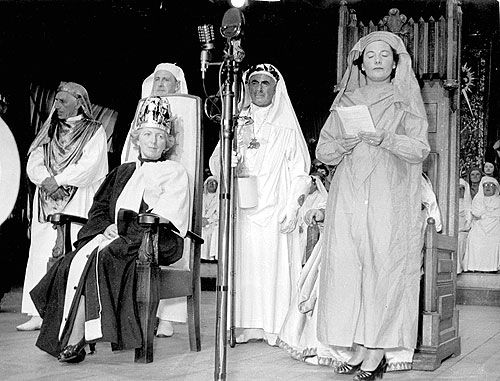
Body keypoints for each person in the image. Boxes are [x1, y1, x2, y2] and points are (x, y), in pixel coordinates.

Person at [30, 96, 190, 362]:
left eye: (160, 136)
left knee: (104, 257)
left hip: (153, 239)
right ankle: (71, 333)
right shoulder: (122, 172)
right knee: (70, 263)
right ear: (137, 139)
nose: (153, 141)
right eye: (148, 134)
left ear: (168, 142)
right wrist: (104, 228)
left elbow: (168, 214)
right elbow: (100, 209)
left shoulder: (174, 172)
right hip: (115, 237)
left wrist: (124, 228)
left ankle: (77, 336)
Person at [315, 31, 430, 379]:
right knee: (350, 268)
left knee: (384, 267)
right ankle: (360, 345)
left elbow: (420, 149)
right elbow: (323, 151)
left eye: (384, 54)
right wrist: (345, 143)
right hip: (349, 194)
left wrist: (388, 139)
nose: (377, 59)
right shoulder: (345, 101)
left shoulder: (405, 99)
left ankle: (377, 350)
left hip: (388, 194)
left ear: (395, 62)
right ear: (360, 63)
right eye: (370, 55)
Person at [209, 63, 311, 345]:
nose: (259, 89)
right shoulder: (238, 122)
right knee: (242, 268)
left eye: (265, 83)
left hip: (275, 209)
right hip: (241, 211)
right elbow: (216, 161)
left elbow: (301, 171)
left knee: (272, 268)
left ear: (276, 88)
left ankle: (273, 328)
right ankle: (242, 326)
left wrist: (292, 207)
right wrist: (227, 164)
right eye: (253, 83)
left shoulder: (286, 127)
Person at [17, 82, 108, 331]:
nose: (56, 106)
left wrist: (58, 180)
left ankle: (68, 314)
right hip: (46, 198)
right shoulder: (49, 128)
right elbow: (34, 158)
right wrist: (45, 180)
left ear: (79, 102)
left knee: (72, 253)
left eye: (62, 101)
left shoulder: (94, 131)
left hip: (78, 199)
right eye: (55, 101)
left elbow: (91, 166)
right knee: (39, 252)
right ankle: (36, 313)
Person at [122, 62, 189, 338]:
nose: (161, 83)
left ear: (177, 86)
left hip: (173, 188)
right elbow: (130, 149)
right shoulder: (143, 112)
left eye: (167, 79)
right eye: (157, 79)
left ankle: (167, 318)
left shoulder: (185, 113)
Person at [462, 176, 500, 272]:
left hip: (495, 227)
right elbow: (476, 213)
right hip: (479, 227)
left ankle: (493, 268)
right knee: (474, 238)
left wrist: (485, 215)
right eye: (486, 185)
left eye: (491, 185)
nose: (488, 187)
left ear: (495, 188)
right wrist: (489, 214)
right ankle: (475, 267)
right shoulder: (477, 200)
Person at [296, 174, 328, 265]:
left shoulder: (321, 197)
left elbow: (323, 210)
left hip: (313, 228)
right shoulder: (303, 196)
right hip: (301, 227)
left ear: (315, 184)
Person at [201, 176, 219, 261]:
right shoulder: (201, 197)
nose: (211, 184)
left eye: (214, 182)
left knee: (214, 232)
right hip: (201, 223)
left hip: (213, 223)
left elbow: (219, 214)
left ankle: (212, 258)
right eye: (209, 182)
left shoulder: (219, 198)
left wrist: (208, 220)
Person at [457, 178, 472, 273]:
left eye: (462, 188)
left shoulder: (469, 204)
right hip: (452, 231)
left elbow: (469, 222)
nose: (459, 191)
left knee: (460, 239)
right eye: (457, 188)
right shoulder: (451, 203)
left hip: (463, 232)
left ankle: (460, 268)